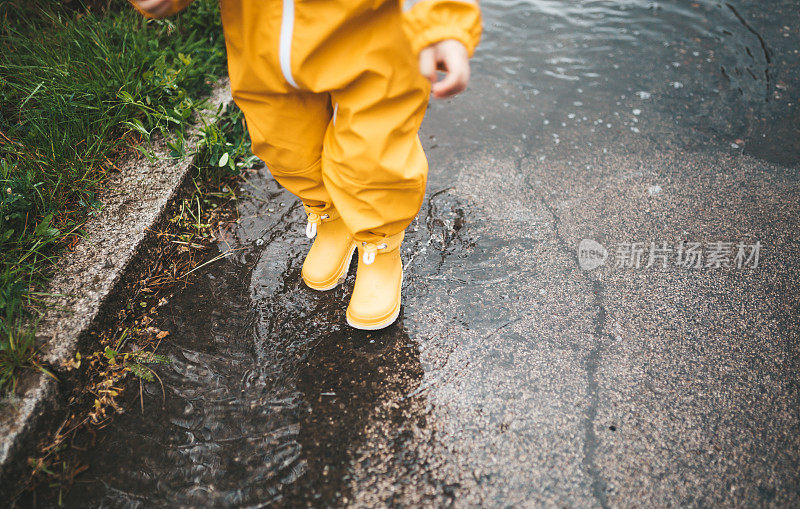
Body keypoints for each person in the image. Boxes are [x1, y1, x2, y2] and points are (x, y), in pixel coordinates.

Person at [131, 0, 481, 329]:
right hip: (262, 43)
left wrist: (446, 21)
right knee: (286, 145)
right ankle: (331, 218)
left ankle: (380, 243)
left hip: (376, 37)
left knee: (373, 149)